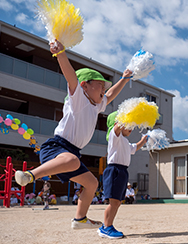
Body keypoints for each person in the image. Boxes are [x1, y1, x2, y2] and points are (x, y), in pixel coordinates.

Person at [14, 39, 133, 229]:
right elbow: (71, 77)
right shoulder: (78, 96)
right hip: (57, 148)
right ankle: (29, 175)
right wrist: (60, 53)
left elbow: (111, 95)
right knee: (73, 161)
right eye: (100, 85)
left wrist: (124, 79)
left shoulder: (97, 105)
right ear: (85, 86)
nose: (104, 89)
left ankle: (80, 219)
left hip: (72, 153)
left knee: (92, 183)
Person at [98, 111, 147, 239]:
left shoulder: (125, 142)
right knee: (114, 202)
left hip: (122, 171)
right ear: (118, 124)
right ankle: (107, 227)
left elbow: (135, 147)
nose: (130, 127)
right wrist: (124, 117)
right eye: (127, 124)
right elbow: (117, 127)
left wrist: (143, 140)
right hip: (114, 170)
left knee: (118, 202)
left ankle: (106, 227)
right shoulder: (115, 137)